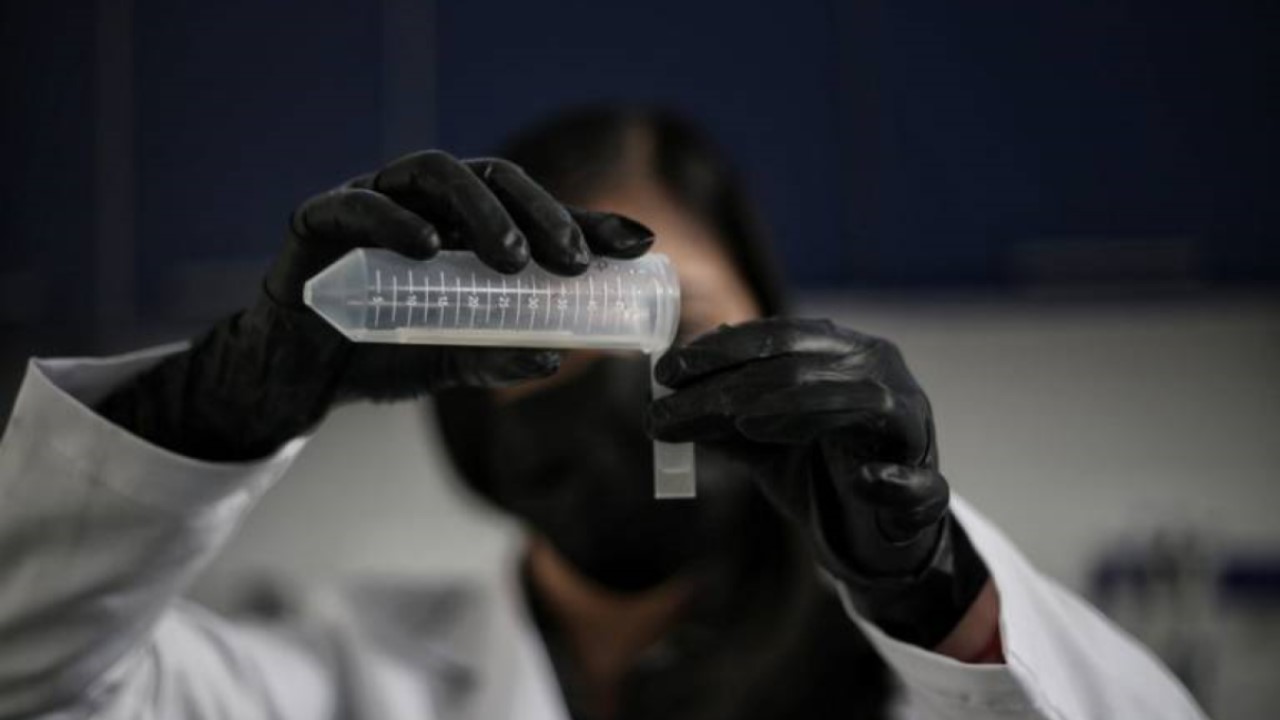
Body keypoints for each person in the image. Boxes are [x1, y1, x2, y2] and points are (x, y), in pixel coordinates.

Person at [0, 106, 1206, 720]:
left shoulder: (921, 682)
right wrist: (213, 405)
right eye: (554, 335)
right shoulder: (339, 678)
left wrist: (938, 596)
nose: (628, 380)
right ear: (467, 394)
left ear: (785, 343)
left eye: (682, 321)